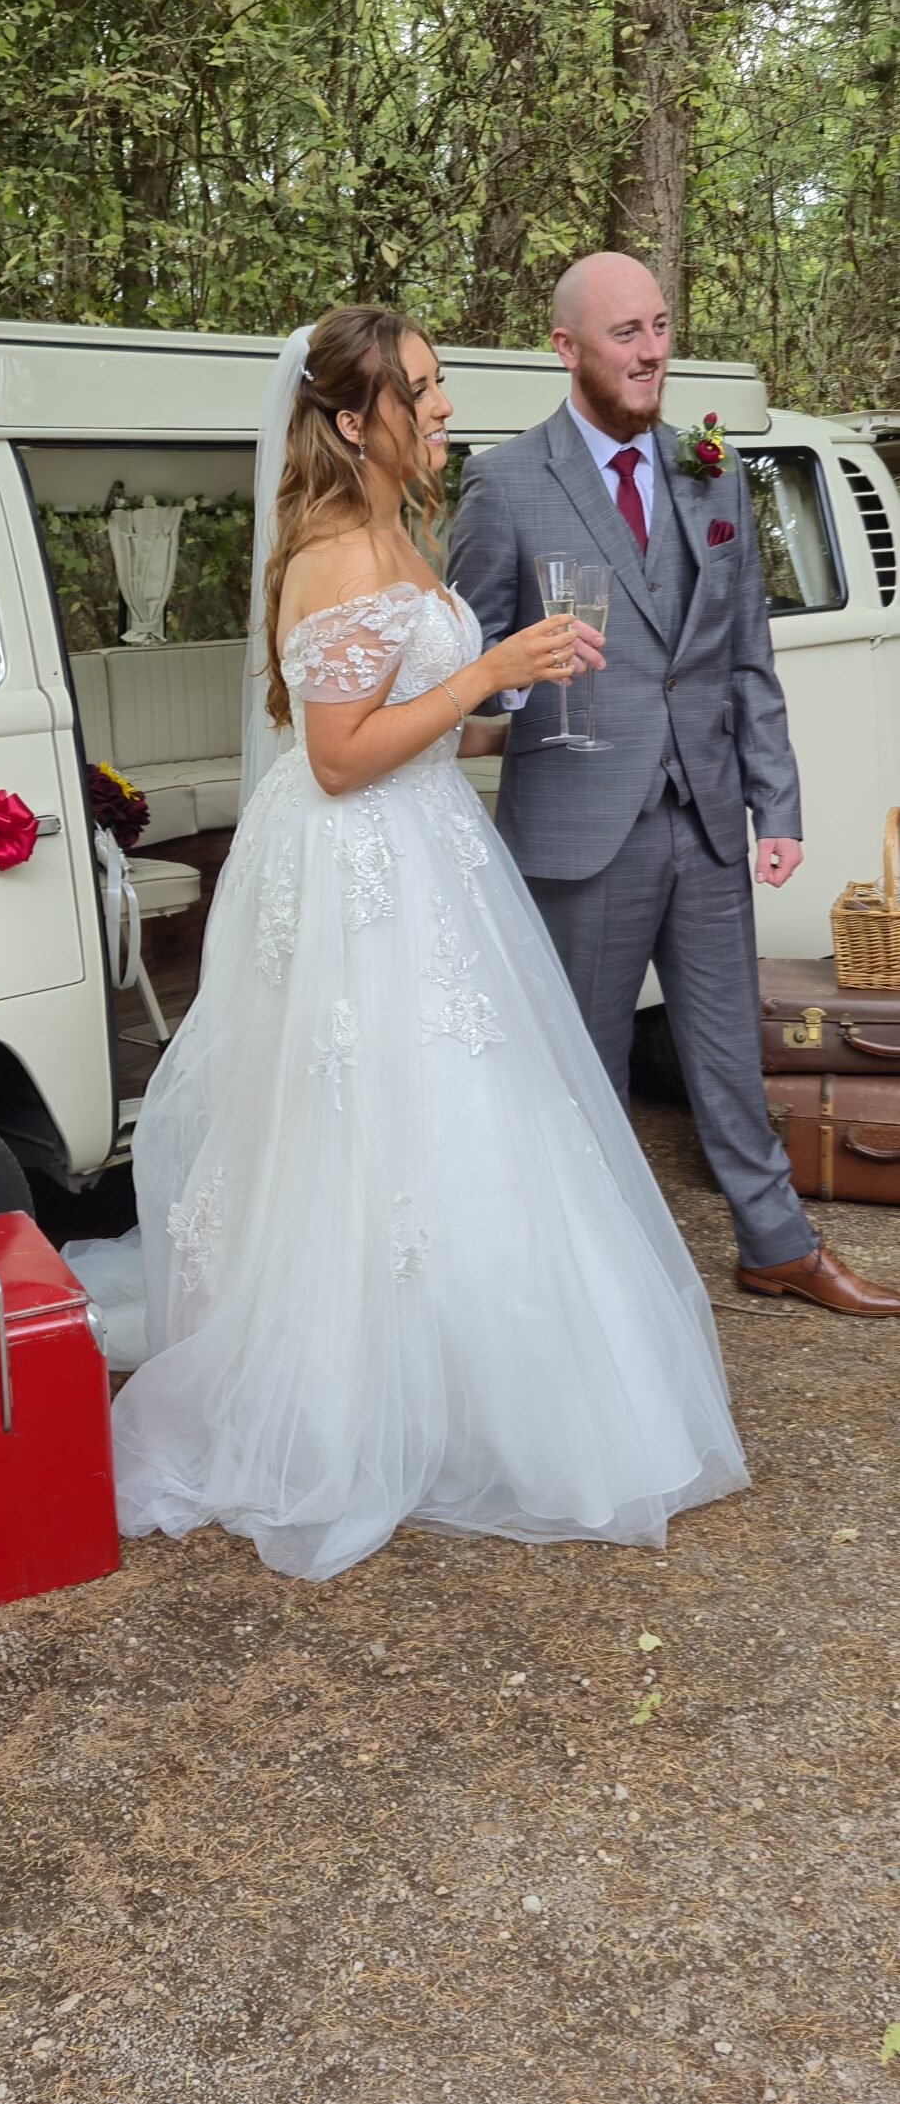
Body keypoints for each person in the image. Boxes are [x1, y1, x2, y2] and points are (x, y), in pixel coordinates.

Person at [70, 304, 749, 1581]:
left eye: (437, 388)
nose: (443, 408)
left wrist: (513, 698)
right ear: (350, 418)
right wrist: (487, 668)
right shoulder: (332, 549)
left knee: (467, 1115)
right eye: (421, 391)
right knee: (376, 1120)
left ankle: (475, 1374)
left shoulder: (398, 527)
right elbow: (335, 762)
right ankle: (358, 1398)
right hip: (359, 872)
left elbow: (412, 726)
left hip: (426, 843)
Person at [448, 250, 900, 1317]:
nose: (652, 351)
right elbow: (462, 672)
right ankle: (596, 1280)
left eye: (659, 327)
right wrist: (517, 687)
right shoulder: (505, 482)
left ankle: (778, 1243)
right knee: (584, 1068)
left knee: (727, 1048)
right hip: (577, 824)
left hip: (704, 821)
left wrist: (775, 804)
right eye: (626, 333)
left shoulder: (711, 470)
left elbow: (747, 653)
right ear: (565, 347)